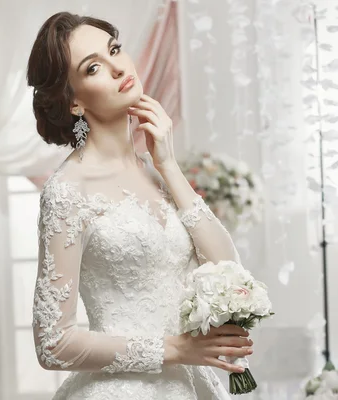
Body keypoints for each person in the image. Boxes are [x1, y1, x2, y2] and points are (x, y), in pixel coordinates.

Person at [27, 12, 252, 400]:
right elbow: (52, 342)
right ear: (75, 101)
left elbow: (228, 268)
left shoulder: (156, 171)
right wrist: (177, 349)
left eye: (115, 49)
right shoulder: (66, 191)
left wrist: (168, 165)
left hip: (191, 387)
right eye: (93, 67)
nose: (117, 67)